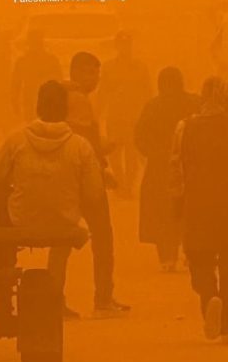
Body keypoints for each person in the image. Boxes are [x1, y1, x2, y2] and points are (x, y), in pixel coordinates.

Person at [0, 80, 106, 306]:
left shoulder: (16, 140)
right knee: (60, 249)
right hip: (64, 219)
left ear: (38, 107)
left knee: (0, 195)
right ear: (65, 110)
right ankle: (56, 299)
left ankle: (4, 285)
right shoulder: (80, 146)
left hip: (20, 218)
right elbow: (94, 193)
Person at [171, 77, 228, 342]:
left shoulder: (185, 128)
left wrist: (177, 204)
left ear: (202, 96)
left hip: (198, 206)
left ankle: (209, 297)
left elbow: (175, 168)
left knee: (200, 260)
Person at [63, 50, 131, 315]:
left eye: (98, 73)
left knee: (61, 240)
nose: (97, 78)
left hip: (66, 179)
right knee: (103, 237)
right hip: (87, 180)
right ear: (77, 71)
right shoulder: (79, 99)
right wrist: (103, 168)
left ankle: (56, 299)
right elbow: (85, 141)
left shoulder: (62, 96)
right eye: (91, 72)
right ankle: (103, 299)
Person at [133, 66, 197, 270]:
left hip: (160, 167)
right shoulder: (192, 104)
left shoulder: (153, 106)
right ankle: (191, 252)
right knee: (189, 210)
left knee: (162, 211)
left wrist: (153, 153)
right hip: (190, 166)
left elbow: (140, 136)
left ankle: (167, 258)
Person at [97, 33, 151, 193]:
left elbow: (147, 92)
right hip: (115, 116)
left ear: (131, 46)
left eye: (127, 45)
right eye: (121, 45)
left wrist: (148, 115)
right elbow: (102, 92)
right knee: (114, 151)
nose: (125, 48)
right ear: (117, 46)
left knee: (132, 152)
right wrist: (97, 113)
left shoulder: (140, 67)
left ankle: (129, 184)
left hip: (134, 116)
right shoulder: (108, 67)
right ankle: (120, 182)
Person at [10, 27, 63, 124]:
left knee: (34, 126)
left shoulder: (23, 61)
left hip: (35, 100)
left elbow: (15, 85)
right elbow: (60, 81)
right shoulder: (51, 60)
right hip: (44, 100)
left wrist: (15, 102)